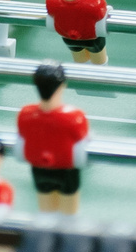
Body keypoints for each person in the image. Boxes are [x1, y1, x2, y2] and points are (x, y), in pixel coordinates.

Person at [16, 61, 90, 213]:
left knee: (46, 210)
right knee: (69, 213)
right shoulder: (75, 117)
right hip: (67, 171)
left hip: (39, 170)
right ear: (62, 85)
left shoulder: (25, 114)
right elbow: (83, 137)